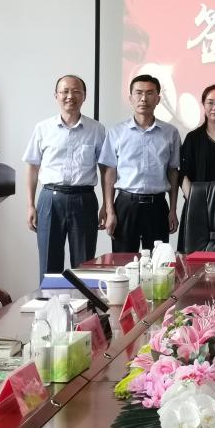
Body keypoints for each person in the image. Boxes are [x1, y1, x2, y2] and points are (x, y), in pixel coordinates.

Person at [22, 75, 107, 278]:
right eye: (65, 91)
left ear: (84, 96)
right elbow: (32, 167)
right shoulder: (43, 128)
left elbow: (106, 169)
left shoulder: (96, 129)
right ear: (56, 95)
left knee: (84, 266)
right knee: (49, 266)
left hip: (84, 199)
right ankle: (49, 300)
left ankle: (84, 300)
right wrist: (30, 205)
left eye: (76, 91)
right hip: (50, 199)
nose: (70, 96)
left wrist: (106, 205)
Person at [100, 74, 181, 253]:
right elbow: (110, 173)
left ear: (158, 99)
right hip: (125, 205)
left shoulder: (170, 133)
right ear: (130, 98)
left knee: (157, 262)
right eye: (138, 93)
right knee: (123, 260)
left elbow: (173, 172)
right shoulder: (117, 132)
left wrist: (173, 210)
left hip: (157, 206)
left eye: (150, 93)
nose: (144, 98)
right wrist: (110, 211)